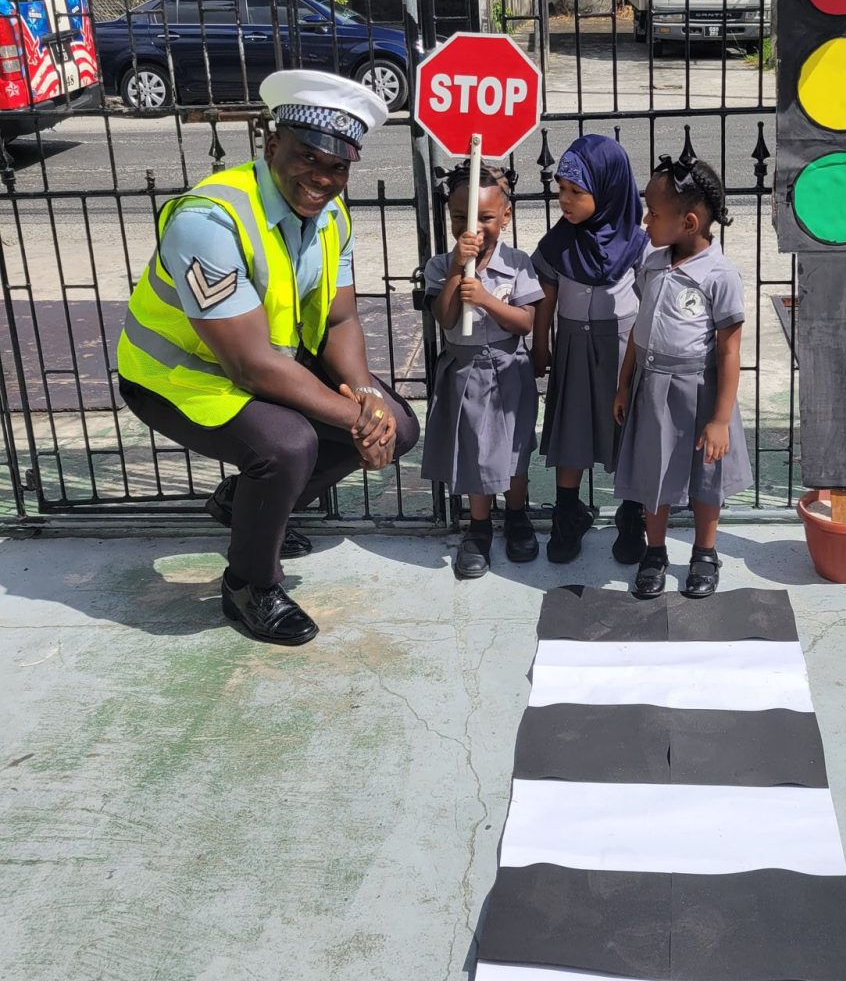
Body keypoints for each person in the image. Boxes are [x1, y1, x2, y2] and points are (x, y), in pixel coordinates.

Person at [116, 69, 419, 646]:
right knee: (287, 446)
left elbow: (339, 319)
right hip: (172, 378)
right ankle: (249, 586)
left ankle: (243, 507)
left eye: (338, 167)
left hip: (260, 366)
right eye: (308, 157)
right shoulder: (210, 221)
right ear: (271, 143)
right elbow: (250, 365)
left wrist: (371, 403)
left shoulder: (331, 216)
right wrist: (353, 417)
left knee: (400, 427)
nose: (322, 178)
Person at [613, 155, 752, 600]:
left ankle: (705, 553)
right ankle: (655, 551)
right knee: (654, 472)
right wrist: (624, 382)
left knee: (706, 477)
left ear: (689, 222)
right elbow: (640, 326)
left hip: (701, 389)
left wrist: (719, 418)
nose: (645, 220)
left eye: (654, 213)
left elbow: (730, 350)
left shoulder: (720, 275)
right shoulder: (652, 265)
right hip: (653, 387)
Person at [421, 164, 543, 579]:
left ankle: (517, 515)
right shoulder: (440, 266)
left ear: (505, 217)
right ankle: (478, 527)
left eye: (486, 218)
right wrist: (458, 269)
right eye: (460, 219)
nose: (473, 228)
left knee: (515, 449)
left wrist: (488, 300)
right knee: (473, 447)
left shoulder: (518, 263)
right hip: (467, 370)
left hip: (511, 370)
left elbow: (525, 322)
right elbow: (447, 315)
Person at [531, 134, 648, 565]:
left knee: (626, 431)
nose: (565, 200)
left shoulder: (637, 244)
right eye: (561, 190)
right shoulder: (560, 242)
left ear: (609, 190)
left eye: (576, 192)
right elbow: (545, 295)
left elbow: (650, 306)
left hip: (622, 356)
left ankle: (631, 514)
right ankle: (568, 512)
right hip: (572, 350)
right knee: (571, 430)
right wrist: (540, 345)